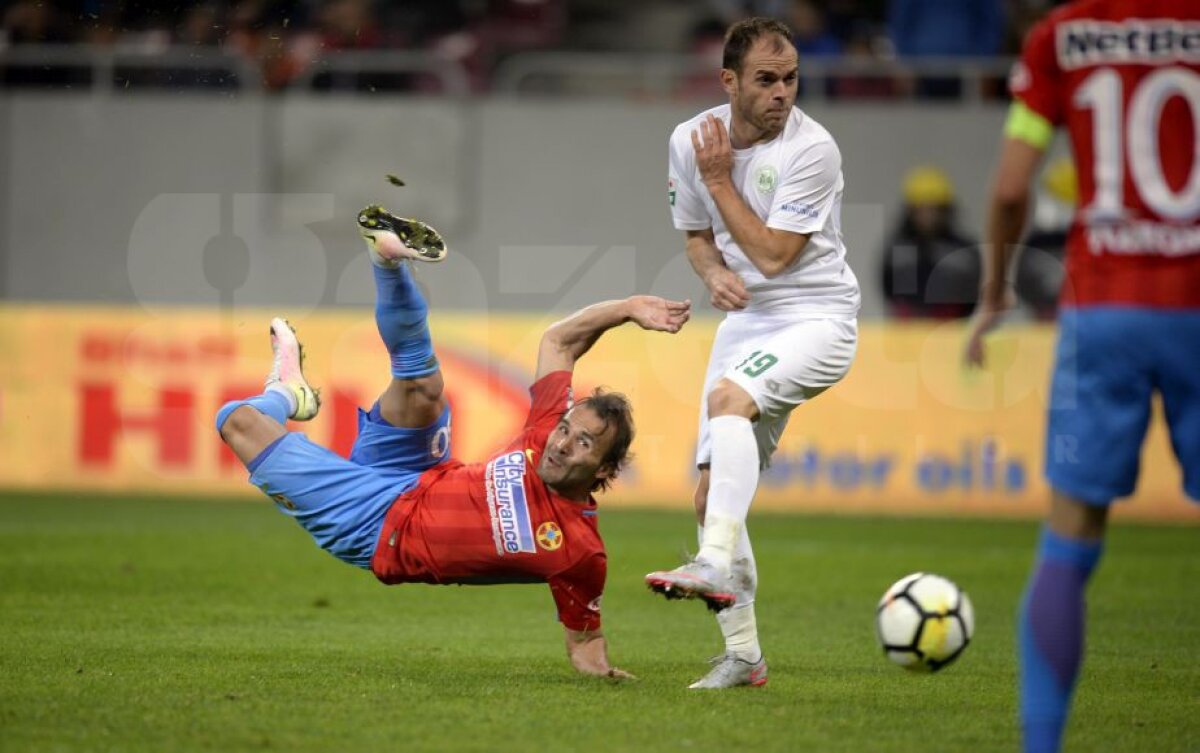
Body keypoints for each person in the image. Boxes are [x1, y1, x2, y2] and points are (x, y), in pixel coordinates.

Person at [215, 204, 692, 679]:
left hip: (376, 528)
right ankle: (387, 262)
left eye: (585, 443)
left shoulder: (579, 551)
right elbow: (560, 341)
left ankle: (284, 394)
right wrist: (627, 309)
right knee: (422, 390)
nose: (562, 443)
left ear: (606, 471)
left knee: (236, 420)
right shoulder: (547, 429)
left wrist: (605, 673)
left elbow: (585, 639)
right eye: (567, 428)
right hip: (419, 472)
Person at [963, 2, 1200, 751]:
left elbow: (1009, 188)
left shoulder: (1063, 35)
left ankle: (1042, 745)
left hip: (1101, 311)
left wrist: (995, 288)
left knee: (1069, 535)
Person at [646, 17, 860, 689]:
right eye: (766, 80)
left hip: (819, 317)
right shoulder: (689, 139)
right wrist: (711, 274)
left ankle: (710, 563)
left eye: (791, 78)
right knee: (710, 495)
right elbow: (698, 238)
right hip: (749, 320)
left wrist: (719, 181)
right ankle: (744, 656)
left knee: (728, 398)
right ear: (729, 81)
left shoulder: (813, 149)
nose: (782, 93)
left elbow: (771, 254)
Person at [880, 166, 980, 319]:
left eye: (934, 209)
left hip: (951, 327)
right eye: (921, 210)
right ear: (910, 211)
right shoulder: (897, 249)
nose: (927, 217)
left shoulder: (963, 251)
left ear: (945, 210)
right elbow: (887, 287)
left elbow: (975, 292)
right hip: (907, 329)